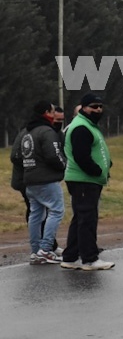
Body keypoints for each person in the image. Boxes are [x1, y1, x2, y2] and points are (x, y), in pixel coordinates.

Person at [60, 92, 115, 270]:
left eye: (100, 106)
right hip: (84, 180)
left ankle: (70, 257)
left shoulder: (89, 125)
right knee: (87, 219)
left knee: (80, 218)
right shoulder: (81, 127)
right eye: (93, 107)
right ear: (83, 108)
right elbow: (81, 156)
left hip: (87, 180)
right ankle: (90, 259)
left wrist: (107, 165)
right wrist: (97, 171)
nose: (98, 110)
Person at [14, 102, 67, 264]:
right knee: (56, 211)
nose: (54, 115)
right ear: (46, 113)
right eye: (52, 112)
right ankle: (45, 249)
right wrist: (63, 165)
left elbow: (17, 156)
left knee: (36, 214)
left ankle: (35, 251)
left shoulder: (26, 132)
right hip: (46, 180)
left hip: (30, 180)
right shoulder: (46, 131)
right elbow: (53, 155)